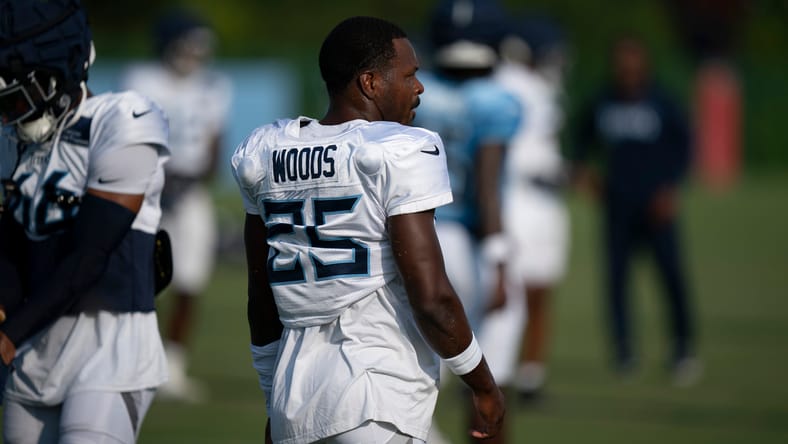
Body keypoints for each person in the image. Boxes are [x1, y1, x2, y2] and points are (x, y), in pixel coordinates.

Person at [231, 16, 504, 444]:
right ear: (370, 82)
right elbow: (431, 297)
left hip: (294, 396)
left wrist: (272, 393)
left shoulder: (265, 151)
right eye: (409, 75)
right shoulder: (400, 148)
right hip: (374, 389)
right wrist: (482, 382)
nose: (420, 87)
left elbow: (261, 298)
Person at [0, 0, 170, 442]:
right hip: (32, 353)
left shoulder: (122, 120)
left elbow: (91, 256)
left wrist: (9, 334)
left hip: (109, 349)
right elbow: (8, 246)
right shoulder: (9, 139)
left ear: (64, 69)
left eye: (17, 98)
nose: (9, 114)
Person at [571, 35, 701, 386]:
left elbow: (684, 145)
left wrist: (671, 187)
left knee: (671, 277)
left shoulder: (662, 101)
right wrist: (584, 172)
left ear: (644, 64)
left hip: (657, 205)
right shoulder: (603, 101)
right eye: (621, 62)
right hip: (617, 206)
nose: (626, 68)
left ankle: (683, 349)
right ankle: (624, 351)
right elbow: (580, 139)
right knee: (616, 280)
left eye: (632, 61)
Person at [121, 9, 232, 403]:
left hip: (191, 192)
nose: (194, 54)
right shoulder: (142, 80)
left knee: (190, 279)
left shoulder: (214, 86)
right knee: (140, 277)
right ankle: (135, 361)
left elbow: (215, 143)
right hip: (146, 187)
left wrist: (194, 180)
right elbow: (131, 136)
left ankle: (174, 366)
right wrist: (157, 178)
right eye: (188, 45)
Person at [489, 15, 571, 402]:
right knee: (511, 292)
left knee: (538, 288)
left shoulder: (540, 86)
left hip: (541, 198)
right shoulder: (508, 84)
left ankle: (528, 376)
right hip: (515, 197)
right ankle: (495, 373)